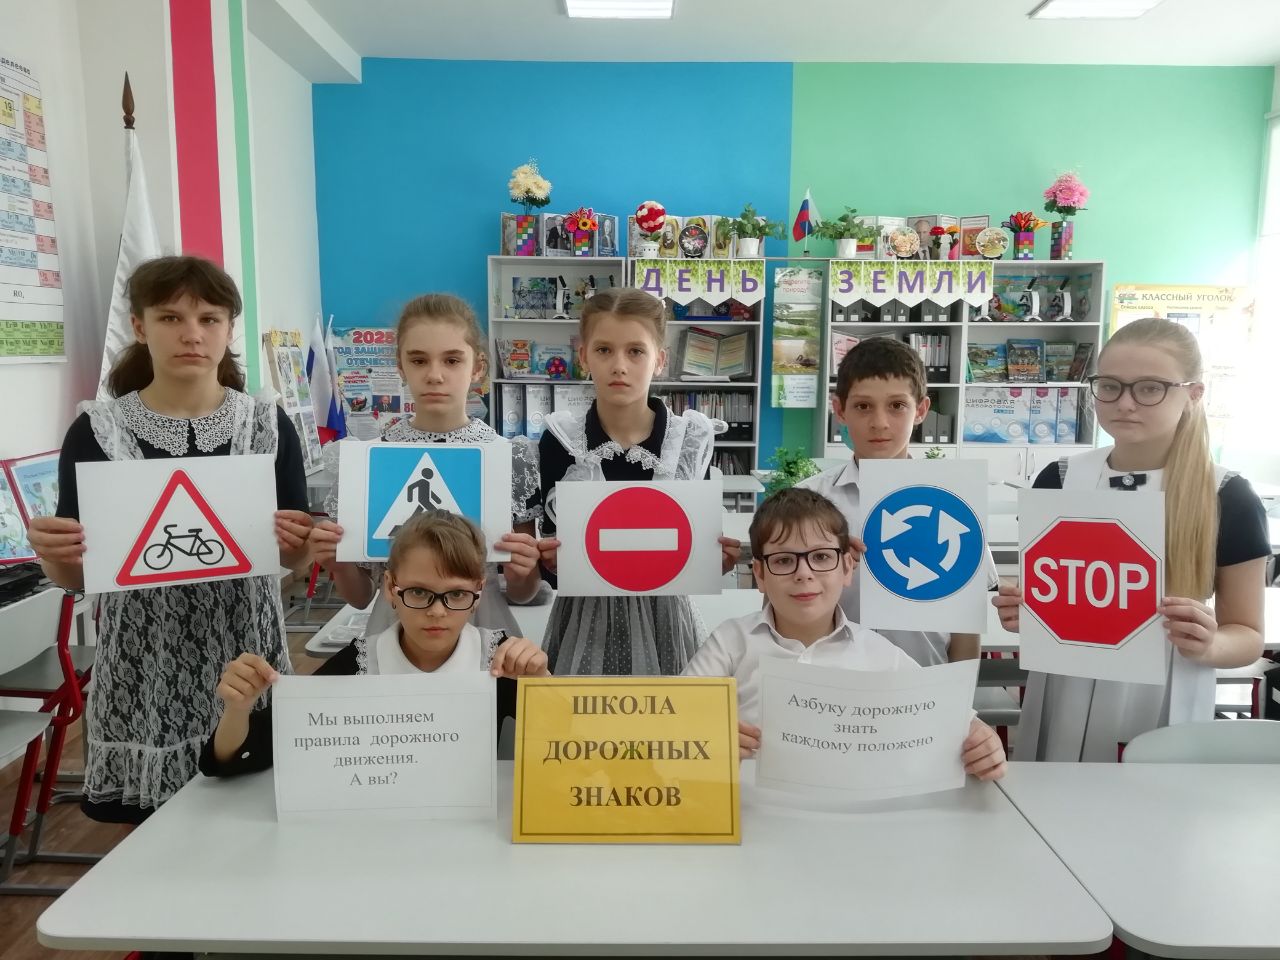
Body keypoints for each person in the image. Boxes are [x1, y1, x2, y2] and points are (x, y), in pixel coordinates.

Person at [27, 255, 313, 823]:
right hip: (142, 660)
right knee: (145, 839)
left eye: (209, 319)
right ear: (140, 326)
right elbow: (80, 574)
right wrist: (53, 557)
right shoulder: (96, 432)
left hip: (248, 648)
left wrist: (301, 544)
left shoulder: (268, 425)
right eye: (170, 318)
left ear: (229, 329)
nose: (192, 334)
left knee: (256, 821)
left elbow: (295, 560)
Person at [993, 317, 1269, 761]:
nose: (1124, 403)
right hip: (1065, 688)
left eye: (1149, 388)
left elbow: (1248, 635)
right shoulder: (1058, 480)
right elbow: (1052, 597)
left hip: (1165, 691)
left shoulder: (1227, 495)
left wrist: (1210, 643)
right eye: (1109, 386)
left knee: (1150, 798)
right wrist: (1027, 613)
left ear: (1193, 394)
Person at [683, 488, 1006, 780]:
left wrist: (982, 739)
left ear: (847, 568)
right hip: (749, 810)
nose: (804, 573)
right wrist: (705, 735)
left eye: (821, 557)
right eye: (783, 560)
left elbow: (955, 719)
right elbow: (676, 718)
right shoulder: (731, 642)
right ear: (760, 575)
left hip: (852, 814)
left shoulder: (881, 654)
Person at [200, 512, 548, 776]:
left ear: (478, 592)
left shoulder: (497, 662)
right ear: (390, 588)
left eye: (456, 594)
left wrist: (542, 683)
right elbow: (237, 758)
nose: (437, 612)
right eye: (418, 592)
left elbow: (567, 748)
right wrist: (237, 709)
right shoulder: (361, 663)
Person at [311, 294, 543, 639]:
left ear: (478, 367)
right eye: (419, 360)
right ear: (400, 366)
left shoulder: (508, 458)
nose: (435, 375)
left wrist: (522, 570)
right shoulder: (370, 461)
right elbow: (360, 597)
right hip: (396, 632)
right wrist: (338, 563)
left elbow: (523, 592)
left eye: (452, 360)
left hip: (482, 628)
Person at [536, 288, 738, 675]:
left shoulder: (689, 439)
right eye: (604, 350)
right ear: (583, 357)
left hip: (667, 618)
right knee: (586, 713)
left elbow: (687, 544)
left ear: (659, 360)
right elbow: (553, 560)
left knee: (667, 712)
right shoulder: (561, 440)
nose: (619, 366)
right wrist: (551, 561)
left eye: (635, 351)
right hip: (584, 620)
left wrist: (714, 561)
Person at [797, 337, 996, 666]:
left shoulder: (954, 499)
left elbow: (966, 624)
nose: (880, 422)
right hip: (831, 678)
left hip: (926, 677)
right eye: (863, 406)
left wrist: (959, 693)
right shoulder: (807, 502)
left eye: (897, 406)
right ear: (840, 410)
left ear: (921, 410)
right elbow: (778, 608)